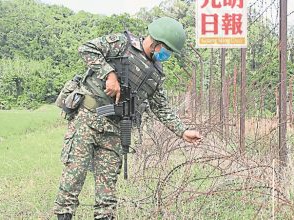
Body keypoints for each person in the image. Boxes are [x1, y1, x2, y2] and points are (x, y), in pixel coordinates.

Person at [53, 17, 202, 220]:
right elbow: (86, 48)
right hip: (87, 120)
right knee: (73, 178)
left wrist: (183, 131)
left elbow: (161, 107)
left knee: (107, 192)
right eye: (166, 50)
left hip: (115, 131)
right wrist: (109, 75)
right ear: (157, 42)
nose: (167, 56)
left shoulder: (156, 74)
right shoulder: (122, 44)